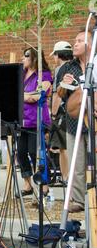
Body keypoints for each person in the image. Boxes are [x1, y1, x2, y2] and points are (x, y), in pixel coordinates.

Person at [57, 29, 92, 212]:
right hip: (73, 124)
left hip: (93, 123)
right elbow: (60, 95)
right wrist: (64, 83)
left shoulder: (94, 65)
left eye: (80, 40)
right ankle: (78, 200)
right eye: (75, 40)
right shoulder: (68, 67)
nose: (75, 43)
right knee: (76, 165)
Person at [17, 47, 52, 196]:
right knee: (21, 153)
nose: (23, 58)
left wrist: (22, 94)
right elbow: (23, 95)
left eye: (26, 56)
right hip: (21, 120)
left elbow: (37, 96)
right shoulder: (22, 74)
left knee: (35, 152)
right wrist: (27, 95)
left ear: (35, 58)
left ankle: (44, 185)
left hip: (36, 120)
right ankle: (27, 185)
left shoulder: (44, 75)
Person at [49, 41, 73, 183]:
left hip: (63, 113)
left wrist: (53, 115)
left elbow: (57, 94)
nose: (54, 58)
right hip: (76, 111)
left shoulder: (60, 70)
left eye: (55, 55)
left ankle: (66, 178)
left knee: (63, 148)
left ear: (58, 55)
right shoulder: (76, 66)